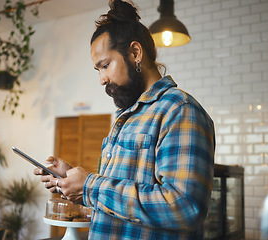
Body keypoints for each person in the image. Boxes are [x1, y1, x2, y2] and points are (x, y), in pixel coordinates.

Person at [34, 0, 215, 239]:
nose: (102, 79)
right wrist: (72, 179)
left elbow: (184, 207)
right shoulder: (127, 116)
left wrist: (89, 185)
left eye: (105, 65)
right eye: (97, 70)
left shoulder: (179, 109)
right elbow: (120, 198)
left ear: (135, 53)